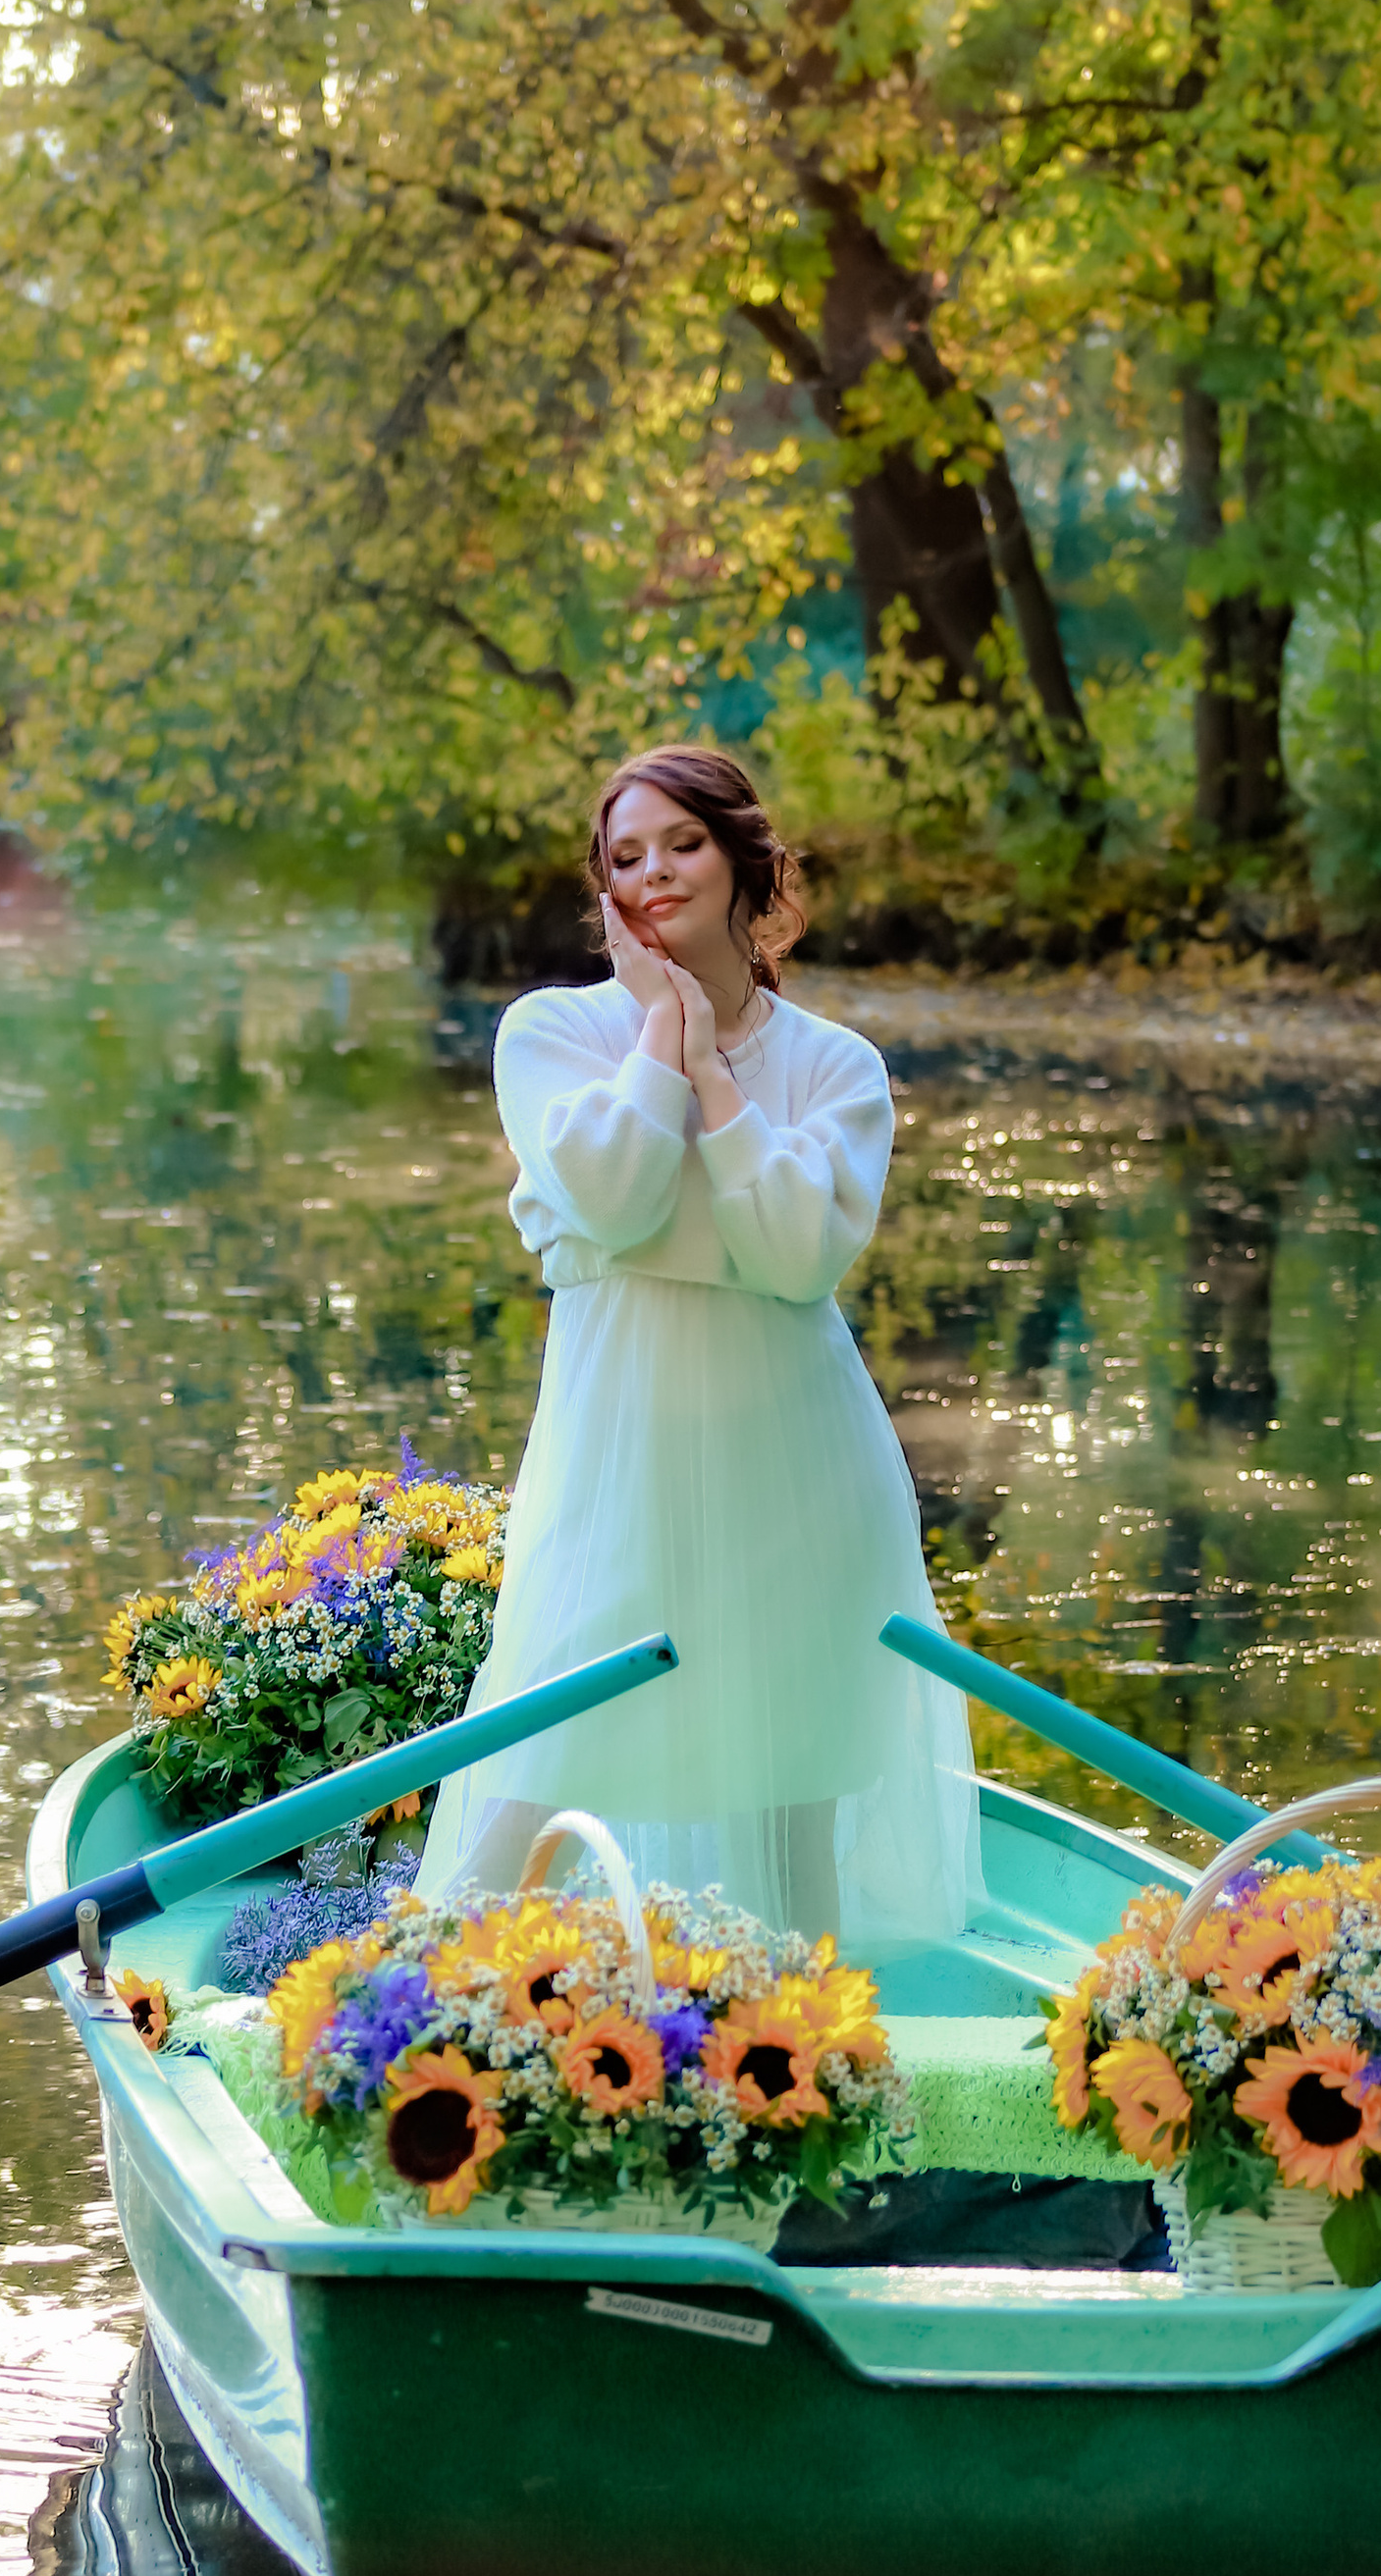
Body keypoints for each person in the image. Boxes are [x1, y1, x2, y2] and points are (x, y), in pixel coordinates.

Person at [416, 745, 977, 1944]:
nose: (655, 873)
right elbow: (615, 1198)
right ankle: (402, 2022)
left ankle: (816, 2072)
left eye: (682, 842)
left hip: (799, 1469)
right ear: (605, 892)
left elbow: (787, 1258)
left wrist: (713, 1076)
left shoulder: (834, 1068)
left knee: (789, 1812)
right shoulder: (551, 1037)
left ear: (740, 861)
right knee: (537, 1757)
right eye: (626, 856)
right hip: (616, 1458)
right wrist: (658, 1036)